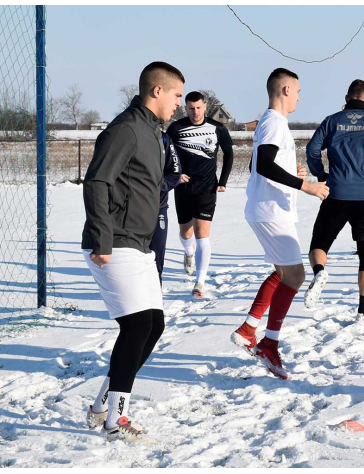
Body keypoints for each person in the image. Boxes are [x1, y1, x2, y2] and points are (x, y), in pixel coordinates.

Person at [82, 61, 184, 441]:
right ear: (157, 91)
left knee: (153, 326)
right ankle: (116, 421)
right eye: (176, 95)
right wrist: (102, 238)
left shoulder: (154, 131)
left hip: (140, 244)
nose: (178, 103)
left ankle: (101, 405)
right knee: (137, 325)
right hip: (115, 242)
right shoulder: (125, 129)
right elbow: (96, 182)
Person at [229, 68, 329, 379]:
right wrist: (307, 186)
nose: (300, 96)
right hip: (271, 212)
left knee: (283, 273)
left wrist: (291, 174)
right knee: (295, 276)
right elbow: (263, 163)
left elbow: (259, 165)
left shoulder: (272, 123)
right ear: (285, 90)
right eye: (297, 90)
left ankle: (249, 329)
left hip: (270, 208)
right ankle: (267, 343)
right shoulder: (273, 121)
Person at [305, 79, 364, 322]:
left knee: (319, 244)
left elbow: (312, 150)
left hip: (336, 193)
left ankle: (319, 272)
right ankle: (363, 311)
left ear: (347, 99)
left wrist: (320, 174)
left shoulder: (331, 121)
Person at [167, 91, 234, 298]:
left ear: (204, 106)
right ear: (185, 108)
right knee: (186, 232)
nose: (195, 112)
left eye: (198, 108)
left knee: (202, 234)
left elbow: (229, 153)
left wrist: (222, 182)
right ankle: (188, 253)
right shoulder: (176, 128)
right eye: (191, 108)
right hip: (183, 188)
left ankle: (200, 282)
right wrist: (175, 176)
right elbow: (165, 154)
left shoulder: (217, 128)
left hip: (207, 188)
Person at [149, 132, 187, 283]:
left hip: (158, 207)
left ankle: (156, 295)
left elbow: (175, 173)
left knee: (157, 253)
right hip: (131, 210)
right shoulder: (126, 134)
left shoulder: (164, 138)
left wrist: (155, 187)